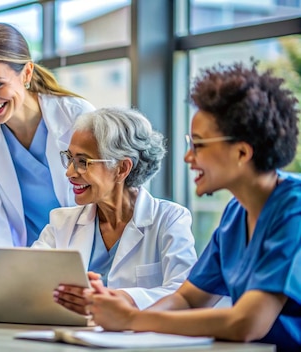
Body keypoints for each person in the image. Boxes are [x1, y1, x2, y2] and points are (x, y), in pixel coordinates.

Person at [69, 63, 301, 351]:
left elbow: (246, 323)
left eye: (199, 145)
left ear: (242, 152)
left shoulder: (294, 211)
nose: (188, 157)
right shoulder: (235, 214)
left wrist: (131, 319)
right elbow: (188, 299)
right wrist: (125, 314)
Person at [40, 107, 197, 310]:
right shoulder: (62, 223)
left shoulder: (169, 219)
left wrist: (122, 298)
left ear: (122, 168)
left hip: (139, 338)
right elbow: (29, 281)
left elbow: (185, 293)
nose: (69, 172)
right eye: (69, 159)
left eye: (82, 162)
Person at [0, 23, 95, 247]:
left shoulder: (77, 116)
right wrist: (4, 273)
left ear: (27, 73)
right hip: (26, 257)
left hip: (88, 250)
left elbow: (104, 196)